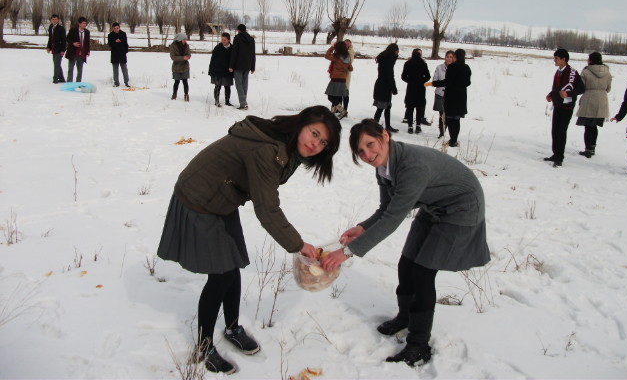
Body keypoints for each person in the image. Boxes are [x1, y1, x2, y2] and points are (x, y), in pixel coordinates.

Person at [157, 106, 342, 374]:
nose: (316, 144)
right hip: (200, 197)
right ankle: (204, 346)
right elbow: (266, 208)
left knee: (232, 264)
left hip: (222, 195)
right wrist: (298, 244)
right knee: (221, 275)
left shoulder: (285, 147)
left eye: (324, 142)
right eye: (314, 133)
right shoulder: (269, 150)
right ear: (301, 125)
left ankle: (232, 327)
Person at [321, 119, 490, 367]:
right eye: (360, 151)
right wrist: (362, 227)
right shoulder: (383, 168)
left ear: (385, 136)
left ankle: (419, 345)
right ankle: (405, 317)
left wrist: (347, 252)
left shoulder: (412, 166)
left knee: (422, 272)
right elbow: (387, 207)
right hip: (435, 205)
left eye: (370, 144)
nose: (368, 154)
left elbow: (392, 219)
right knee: (407, 263)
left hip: (461, 208)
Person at [426, 48, 471, 147]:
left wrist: (434, 83)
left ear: (455, 56)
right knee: (457, 119)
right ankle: (454, 139)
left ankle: (453, 140)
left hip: (452, 96)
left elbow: (447, 81)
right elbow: (468, 82)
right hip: (462, 97)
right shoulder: (466, 68)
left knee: (450, 119)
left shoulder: (452, 67)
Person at [543, 49, 580, 167]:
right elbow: (557, 87)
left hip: (567, 107)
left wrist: (569, 94)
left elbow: (581, 88)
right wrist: (551, 95)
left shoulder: (573, 72)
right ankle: (555, 154)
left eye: (556, 58)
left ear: (563, 59)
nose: (554, 60)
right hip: (557, 105)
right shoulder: (558, 71)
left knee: (561, 131)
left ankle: (560, 157)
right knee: (555, 130)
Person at [575, 52, 611, 158]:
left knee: (588, 125)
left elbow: (581, 87)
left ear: (591, 60)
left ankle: (588, 150)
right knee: (595, 125)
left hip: (589, 99)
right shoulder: (607, 72)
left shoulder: (586, 72)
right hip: (602, 100)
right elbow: (608, 88)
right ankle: (593, 147)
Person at [401, 49, 431, 134]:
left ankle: (410, 126)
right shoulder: (423, 64)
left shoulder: (407, 64)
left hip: (411, 88)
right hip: (420, 88)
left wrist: (409, 81)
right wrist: (422, 81)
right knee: (419, 108)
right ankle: (418, 126)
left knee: (410, 108)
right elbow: (428, 76)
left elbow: (403, 76)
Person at [373, 43, 400, 133]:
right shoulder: (389, 60)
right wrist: (394, 88)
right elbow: (390, 76)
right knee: (381, 107)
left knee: (387, 107)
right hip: (384, 87)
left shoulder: (384, 58)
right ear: (394, 51)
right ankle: (373, 125)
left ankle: (387, 126)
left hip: (381, 85)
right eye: (397, 51)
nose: (398, 53)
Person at [229, 24, 256, 111]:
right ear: (246, 30)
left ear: (238, 30)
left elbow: (234, 53)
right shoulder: (251, 39)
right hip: (247, 65)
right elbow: (253, 54)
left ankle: (243, 104)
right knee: (245, 84)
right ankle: (244, 102)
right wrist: (252, 67)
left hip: (238, 65)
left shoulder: (237, 38)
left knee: (239, 84)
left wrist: (231, 66)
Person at [324, 41, 353, 119]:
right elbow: (351, 68)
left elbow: (326, 55)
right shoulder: (348, 57)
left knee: (330, 97)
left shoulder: (336, 56)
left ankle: (342, 111)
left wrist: (332, 47)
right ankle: (332, 113)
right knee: (335, 97)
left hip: (335, 79)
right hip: (343, 79)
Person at [432, 51, 454, 138]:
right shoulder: (439, 67)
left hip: (450, 95)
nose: (449, 58)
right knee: (441, 114)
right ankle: (442, 132)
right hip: (440, 93)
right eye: (447, 56)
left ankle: (448, 131)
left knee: (448, 114)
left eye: (451, 57)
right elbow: (435, 80)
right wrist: (443, 83)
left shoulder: (454, 68)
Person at [208, 32, 234, 107]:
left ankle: (227, 101)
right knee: (218, 86)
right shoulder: (217, 48)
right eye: (222, 39)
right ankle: (216, 101)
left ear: (229, 40)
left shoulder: (232, 48)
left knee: (227, 86)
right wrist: (211, 70)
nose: (223, 41)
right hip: (218, 70)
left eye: (225, 40)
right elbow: (212, 59)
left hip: (228, 71)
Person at [65, 17, 90, 82]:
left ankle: (78, 82)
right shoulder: (73, 30)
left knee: (80, 70)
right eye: (83, 23)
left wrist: (88, 51)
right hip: (73, 53)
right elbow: (67, 38)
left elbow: (87, 42)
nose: (84, 24)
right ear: (79, 23)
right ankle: (69, 83)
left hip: (82, 54)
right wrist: (73, 43)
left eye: (85, 23)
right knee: (70, 69)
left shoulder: (87, 32)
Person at [107, 22, 130, 88]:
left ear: (119, 28)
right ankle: (116, 82)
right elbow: (110, 44)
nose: (116, 30)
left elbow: (125, 44)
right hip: (114, 55)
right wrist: (115, 42)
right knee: (115, 70)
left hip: (122, 54)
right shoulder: (110, 35)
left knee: (124, 69)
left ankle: (127, 82)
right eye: (115, 28)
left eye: (117, 28)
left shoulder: (123, 34)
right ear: (112, 29)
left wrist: (125, 50)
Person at [170, 32, 191, 101]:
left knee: (185, 82)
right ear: (180, 40)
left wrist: (188, 57)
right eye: (183, 39)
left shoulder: (186, 46)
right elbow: (173, 57)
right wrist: (182, 58)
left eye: (185, 39)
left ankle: (186, 95)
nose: (185, 41)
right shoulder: (173, 46)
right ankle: (174, 94)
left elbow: (189, 54)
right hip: (177, 67)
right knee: (177, 82)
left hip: (185, 66)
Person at [46, 14, 66, 84]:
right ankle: (61, 78)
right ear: (51, 20)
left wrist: (63, 50)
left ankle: (55, 79)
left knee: (56, 64)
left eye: (55, 19)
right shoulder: (51, 27)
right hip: (53, 48)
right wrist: (48, 47)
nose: (54, 20)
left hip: (59, 49)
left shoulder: (61, 28)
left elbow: (64, 40)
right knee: (56, 63)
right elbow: (50, 38)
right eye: (53, 19)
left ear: (58, 20)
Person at [343, 39, 355, 114]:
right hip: (340, 74)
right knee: (339, 94)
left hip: (346, 73)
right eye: (345, 44)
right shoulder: (341, 50)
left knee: (345, 93)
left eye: (348, 44)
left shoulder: (350, 51)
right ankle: (339, 109)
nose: (347, 45)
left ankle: (345, 109)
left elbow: (350, 61)